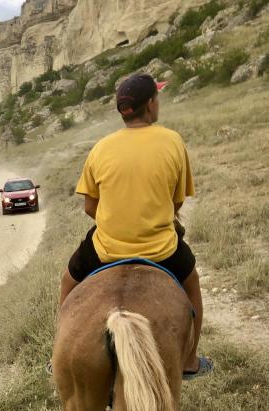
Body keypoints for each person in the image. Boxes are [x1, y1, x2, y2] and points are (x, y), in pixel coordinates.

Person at [59, 73, 212, 380]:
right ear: (150, 105)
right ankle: (190, 360)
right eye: (157, 98)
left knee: (68, 281)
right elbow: (176, 202)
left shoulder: (101, 148)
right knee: (191, 284)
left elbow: (90, 206)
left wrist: (116, 221)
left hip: (106, 249)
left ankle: (60, 352)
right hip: (162, 249)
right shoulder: (172, 141)